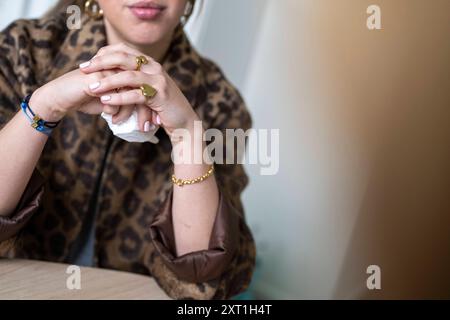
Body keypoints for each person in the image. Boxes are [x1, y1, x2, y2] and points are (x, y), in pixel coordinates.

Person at [0, 0, 255, 299]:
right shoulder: (23, 49)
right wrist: (45, 105)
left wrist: (187, 134)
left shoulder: (221, 101)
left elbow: (202, 272)